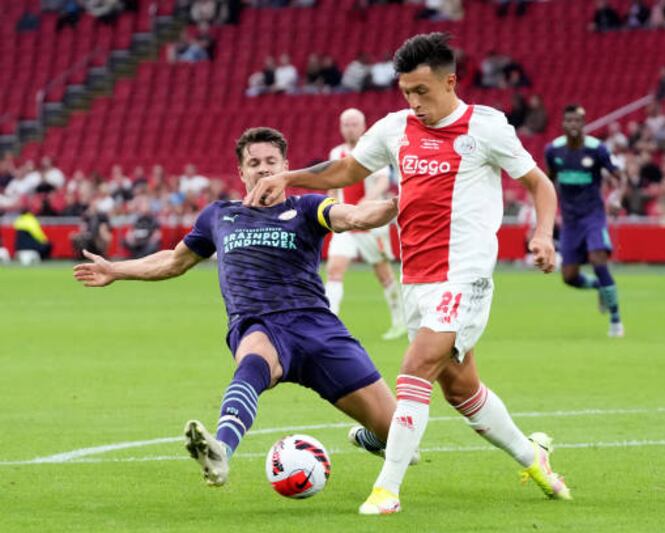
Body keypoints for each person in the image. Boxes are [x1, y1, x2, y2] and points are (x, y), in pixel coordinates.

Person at [244, 32, 572, 514]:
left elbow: (540, 185)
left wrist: (543, 234)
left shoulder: (487, 128)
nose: (414, 103)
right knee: (460, 387)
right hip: (417, 277)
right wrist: (287, 178)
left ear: (450, 82)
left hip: (465, 275)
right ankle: (534, 457)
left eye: (422, 91)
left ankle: (387, 490)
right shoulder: (396, 128)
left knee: (414, 368)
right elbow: (346, 172)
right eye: (406, 93)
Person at [73, 127, 416, 487]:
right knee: (253, 358)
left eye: (271, 161)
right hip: (258, 323)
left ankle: (371, 437)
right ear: (241, 172)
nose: (263, 169)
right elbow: (174, 261)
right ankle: (220, 450)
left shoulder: (307, 208)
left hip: (317, 327)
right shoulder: (218, 215)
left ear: (286, 165)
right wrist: (116, 269)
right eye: (254, 163)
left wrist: (397, 204)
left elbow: (357, 217)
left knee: (401, 435)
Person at [544, 105, 625, 337]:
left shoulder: (597, 149)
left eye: (577, 121)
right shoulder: (554, 151)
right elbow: (547, 182)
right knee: (569, 277)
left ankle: (616, 320)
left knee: (598, 260)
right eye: (569, 120)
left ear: (584, 123)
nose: (573, 125)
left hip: (593, 216)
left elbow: (620, 178)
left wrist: (616, 197)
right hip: (570, 221)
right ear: (563, 124)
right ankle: (599, 286)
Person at [326, 108, 406, 340]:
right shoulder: (336, 153)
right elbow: (332, 181)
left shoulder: (372, 148)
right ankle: (330, 323)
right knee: (334, 270)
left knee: (383, 273)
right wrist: (330, 207)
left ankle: (399, 319)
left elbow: (383, 181)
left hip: (371, 222)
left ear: (363, 126)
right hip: (345, 222)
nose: (350, 128)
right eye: (346, 124)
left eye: (354, 124)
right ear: (341, 127)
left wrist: (367, 200)